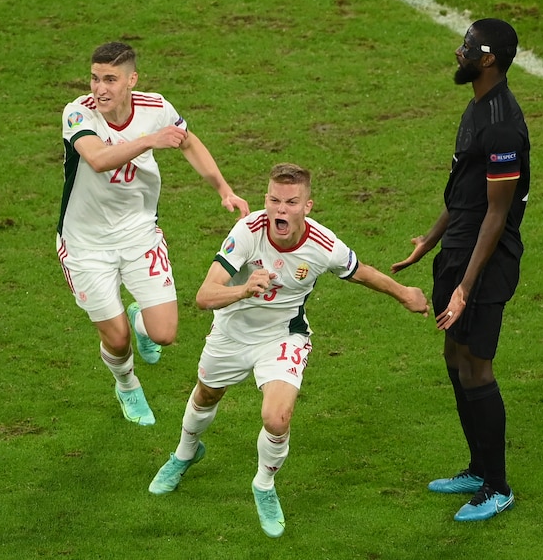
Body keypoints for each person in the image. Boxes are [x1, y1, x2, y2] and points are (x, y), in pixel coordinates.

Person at [148, 163, 430, 538]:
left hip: (283, 336)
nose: (280, 209)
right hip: (231, 333)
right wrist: (244, 289)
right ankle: (185, 453)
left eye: (291, 202)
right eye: (274, 200)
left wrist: (404, 294)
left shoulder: (324, 246)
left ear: (307, 206)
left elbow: (361, 271)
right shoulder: (247, 233)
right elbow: (204, 296)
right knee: (207, 395)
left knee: (277, 418)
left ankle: (264, 485)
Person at [56, 41, 249, 427]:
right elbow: (96, 159)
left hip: (139, 235)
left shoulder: (156, 108)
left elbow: (188, 142)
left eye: (110, 79)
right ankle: (127, 384)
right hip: (85, 245)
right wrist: (149, 141)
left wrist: (223, 188)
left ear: (132, 80)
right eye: (94, 78)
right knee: (117, 340)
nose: (100, 89)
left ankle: (139, 319)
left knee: (163, 333)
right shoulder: (79, 113)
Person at [391, 18, 530, 522]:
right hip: (458, 248)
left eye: (467, 47)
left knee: (476, 364)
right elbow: (465, 193)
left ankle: (497, 486)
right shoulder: (477, 108)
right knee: (454, 353)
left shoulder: (502, 125)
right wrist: (428, 242)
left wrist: (466, 288)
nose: (459, 51)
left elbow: (497, 212)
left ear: (488, 59)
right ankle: (477, 467)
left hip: (486, 260)